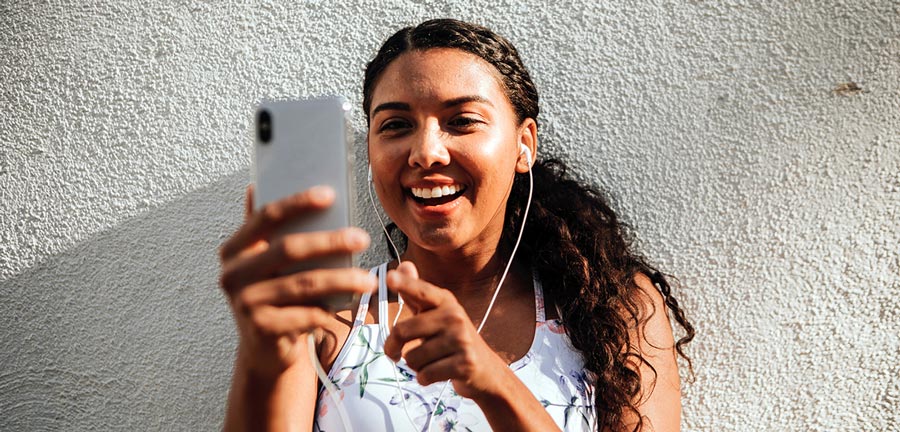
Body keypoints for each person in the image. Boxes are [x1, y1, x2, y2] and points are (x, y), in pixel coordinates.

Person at [219, 18, 694, 432]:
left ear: (523, 145)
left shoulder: (610, 304)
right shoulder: (324, 316)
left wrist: (493, 381)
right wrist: (261, 360)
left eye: (462, 121)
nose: (426, 152)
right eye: (396, 126)